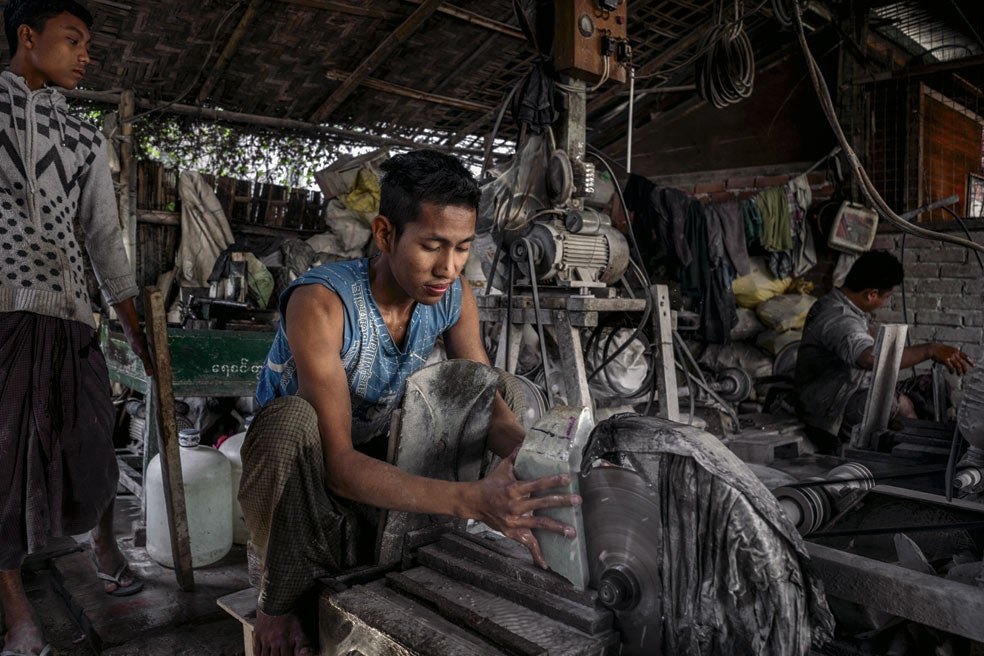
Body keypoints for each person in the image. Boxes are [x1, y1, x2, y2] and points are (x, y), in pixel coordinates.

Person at [241, 149, 581, 656]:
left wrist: (548, 467)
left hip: (378, 457)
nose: (448, 267)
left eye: (462, 248)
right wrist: (471, 498)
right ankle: (276, 591)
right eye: (431, 246)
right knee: (290, 422)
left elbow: (486, 404)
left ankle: (440, 539)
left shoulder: (452, 294)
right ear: (384, 234)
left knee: (501, 388)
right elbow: (337, 465)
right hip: (305, 482)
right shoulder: (321, 302)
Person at [0, 1, 153, 654]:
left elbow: (104, 240)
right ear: (27, 36)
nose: (86, 55)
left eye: (88, 43)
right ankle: (17, 612)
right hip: (5, 313)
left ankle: (101, 542)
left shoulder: (85, 138)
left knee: (93, 451)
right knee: (2, 466)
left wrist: (137, 332)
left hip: (71, 318)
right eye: (73, 40)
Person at [794, 250, 973, 448]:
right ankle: (918, 452)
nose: (885, 302)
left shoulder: (850, 309)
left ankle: (920, 439)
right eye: (886, 297)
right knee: (900, 405)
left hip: (853, 387)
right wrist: (929, 350)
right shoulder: (838, 317)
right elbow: (870, 358)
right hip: (830, 406)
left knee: (928, 387)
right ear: (871, 294)